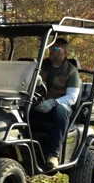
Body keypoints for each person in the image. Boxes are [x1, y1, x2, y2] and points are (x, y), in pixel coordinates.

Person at [32, 38, 81, 169]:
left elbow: (72, 98)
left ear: (65, 53)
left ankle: (53, 155)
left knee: (62, 110)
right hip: (39, 103)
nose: (52, 51)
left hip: (57, 108)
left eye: (56, 48)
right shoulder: (41, 65)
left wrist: (53, 103)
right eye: (51, 48)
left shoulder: (71, 71)